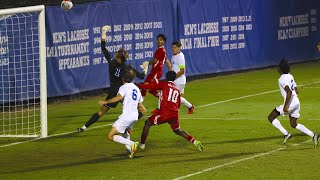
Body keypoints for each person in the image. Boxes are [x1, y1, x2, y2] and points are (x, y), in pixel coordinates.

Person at [77, 26, 145, 132]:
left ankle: (83, 127)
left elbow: (103, 48)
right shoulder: (127, 66)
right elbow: (141, 76)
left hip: (114, 92)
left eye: (117, 54)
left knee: (101, 112)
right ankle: (129, 125)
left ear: (118, 57)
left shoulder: (111, 62)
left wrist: (103, 32)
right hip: (125, 91)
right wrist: (146, 68)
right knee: (141, 110)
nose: (115, 54)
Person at [138, 71, 203, 151]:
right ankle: (195, 141)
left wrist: (139, 85)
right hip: (174, 114)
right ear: (174, 78)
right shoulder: (177, 89)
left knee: (147, 123)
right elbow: (178, 103)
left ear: (166, 77)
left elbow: (151, 86)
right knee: (177, 130)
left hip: (165, 113)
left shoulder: (164, 84)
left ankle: (142, 144)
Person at [267, 59, 319, 147]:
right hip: (297, 102)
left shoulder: (281, 79)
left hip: (290, 104)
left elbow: (289, 92)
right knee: (293, 124)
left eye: (278, 67)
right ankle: (313, 135)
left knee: (271, 117)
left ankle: (286, 134)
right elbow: (296, 90)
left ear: (280, 69)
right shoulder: (290, 76)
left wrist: (286, 106)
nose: (277, 69)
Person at [98, 67, 145, 158]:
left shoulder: (123, 87)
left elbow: (119, 97)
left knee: (110, 135)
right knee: (126, 132)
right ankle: (130, 150)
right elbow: (140, 105)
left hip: (127, 116)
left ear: (123, 78)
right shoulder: (136, 88)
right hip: (135, 115)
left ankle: (132, 144)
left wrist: (106, 102)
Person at [170, 40, 195, 114]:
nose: (173, 49)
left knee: (172, 97)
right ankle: (190, 107)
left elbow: (182, 71)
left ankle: (171, 112)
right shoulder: (174, 56)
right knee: (176, 98)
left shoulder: (180, 57)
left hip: (179, 81)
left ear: (179, 48)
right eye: (172, 47)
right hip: (176, 81)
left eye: (175, 47)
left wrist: (173, 77)